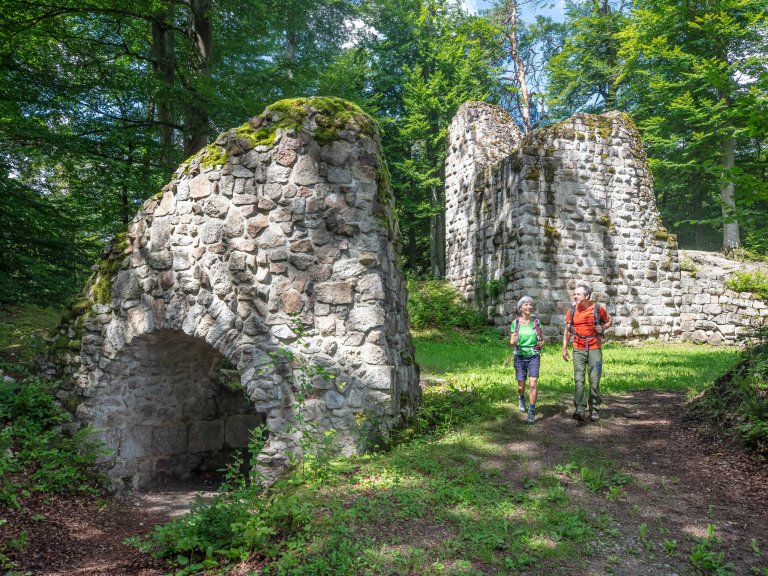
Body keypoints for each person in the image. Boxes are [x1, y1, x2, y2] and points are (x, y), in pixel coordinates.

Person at [561, 284, 612, 422]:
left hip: (594, 348)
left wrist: (602, 328)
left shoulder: (597, 309)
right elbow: (567, 330)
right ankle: (580, 409)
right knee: (579, 380)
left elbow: (609, 321)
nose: (575, 296)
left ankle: (594, 410)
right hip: (578, 348)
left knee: (594, 381)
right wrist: (564, 348)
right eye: (575, 294)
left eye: (578, 294)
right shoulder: (572, 311)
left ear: (587, 296)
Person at [509, 296, 544, 424]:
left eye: (530, 304)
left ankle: (531, 410)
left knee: (533, 383)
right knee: (521, 385)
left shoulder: (536, 322)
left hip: (534, 355)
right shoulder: (516, 323)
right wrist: (514, 341)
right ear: (520, 308)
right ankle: (521, 397)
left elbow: (541, 339)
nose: (529, 306)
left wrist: (541, 343)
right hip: (520, 356)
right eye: (526, 305)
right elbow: (511, 341)